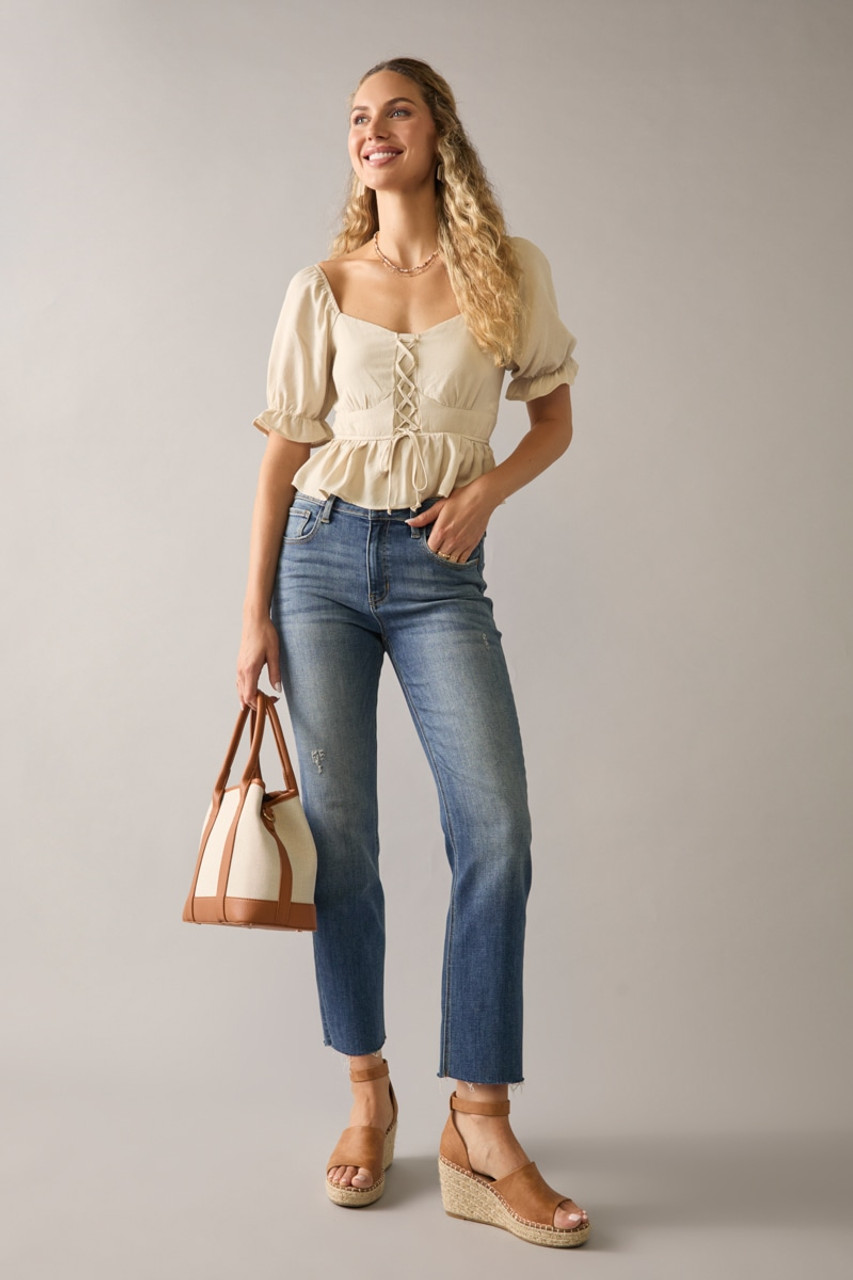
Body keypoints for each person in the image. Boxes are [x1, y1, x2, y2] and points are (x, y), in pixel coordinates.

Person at [236, 56, 590, 1248]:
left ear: (437, 132)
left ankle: (478, 1122)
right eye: (356, 115)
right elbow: (281, 460)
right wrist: (251, 614)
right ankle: (367, 1091)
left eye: (395, 110)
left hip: (442, 574)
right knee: (343, 842)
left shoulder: (506, 273)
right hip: (320, 564)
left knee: (496, 828)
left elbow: (554, 417)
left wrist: (486, 491)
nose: (371, 128)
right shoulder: (321, 285)